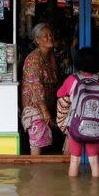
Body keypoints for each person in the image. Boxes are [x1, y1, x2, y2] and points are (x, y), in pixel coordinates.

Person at [57, 47, 99, 177]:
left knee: (75, 160)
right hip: (96, 126)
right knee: (94, 161)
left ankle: (74, 194)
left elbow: (59, 94)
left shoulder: (72, 79)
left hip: (76, 125)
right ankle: (96, 193)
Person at [21, 23, 59, 156]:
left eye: (50, 35)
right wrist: (44, 111)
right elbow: (36, 86)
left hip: (47, 106)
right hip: (36, 106)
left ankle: (41, 172)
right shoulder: (33, 59)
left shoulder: (51, 56)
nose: (49, 38)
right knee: (37, 141)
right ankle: (35, 171)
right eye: (45, 36)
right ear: (37, 40)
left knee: (45, 141)